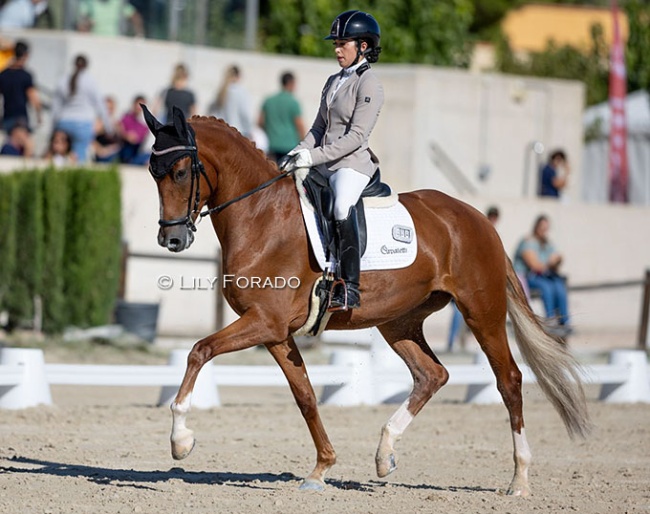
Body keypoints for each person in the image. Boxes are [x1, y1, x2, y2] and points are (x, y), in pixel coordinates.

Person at [282, 10, 384, 311]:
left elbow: (355, 137)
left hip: (351, 164)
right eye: (335, 44)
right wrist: (296, 153)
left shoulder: (369, 84)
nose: (337, 50)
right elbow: (318, 128)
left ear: (363, 46)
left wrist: (311, 157)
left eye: (343, 44)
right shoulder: (333, 80)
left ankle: (349, 286)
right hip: (324, 162)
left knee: (341, 205)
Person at [447, 206, 500, 351]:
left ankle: (470, 344)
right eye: (492, 217)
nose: (493, 220)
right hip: (464, 282)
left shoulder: (490, 235)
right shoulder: (479, 233)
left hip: (476, 283)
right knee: (459, 313)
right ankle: (452, 342)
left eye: (494, 218)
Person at [514, 214, 571, 337]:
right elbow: (534, 265)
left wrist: (557, 260)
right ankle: (550, 320)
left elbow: (554, 261)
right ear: (536, 227)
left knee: (559, 286)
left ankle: (564, 321)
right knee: (546, 287)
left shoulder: (547, 243)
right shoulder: (527, 242)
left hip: (542, 276)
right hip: (526, 277)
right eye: (542, 227)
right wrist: (550, 262)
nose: (544, 230)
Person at [51, 54, 113, 163]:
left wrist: (54, 126)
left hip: (64, 121)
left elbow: (56, 106)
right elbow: (100, 105)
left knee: (61, 155)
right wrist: (108, 127)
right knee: (79, 157)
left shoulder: (63, 79)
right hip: (83, 124)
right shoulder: (90, 81)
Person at [258, 71, 305, 163]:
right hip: (289, 146)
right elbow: (299, 125)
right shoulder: (293, 102)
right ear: (291, 83)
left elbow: (260, 122)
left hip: (272, 145)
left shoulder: (268, 101)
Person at [0, 39, 42, 134]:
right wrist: (39, 115)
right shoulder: (25, 75)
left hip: (7, 116)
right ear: (26, 55)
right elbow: (33, 97)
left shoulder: (3, 75)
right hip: (20, 117)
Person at [209, 65, 253, 139]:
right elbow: (244, 113)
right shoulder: (241, 92)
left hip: (221, 132)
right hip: (237, 134)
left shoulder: (220, 91)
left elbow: (212, 112)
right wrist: (249, 130)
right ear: (239, 76)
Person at [76, 0, 144, 37]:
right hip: (95, 41)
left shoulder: (119, 3)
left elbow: (135, 16)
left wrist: (139, 35)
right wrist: (87, 25)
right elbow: (81, 25)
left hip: (116, 41)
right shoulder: (89, 3)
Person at [118, 94, 150, 165]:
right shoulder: (126, 118)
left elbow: (139, 138)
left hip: (135, 152)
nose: (139, 108)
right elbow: (120, 130)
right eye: (138, 105)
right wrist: (126, 135)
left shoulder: (143, 124)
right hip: (124, 150)